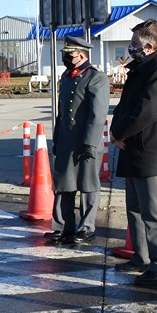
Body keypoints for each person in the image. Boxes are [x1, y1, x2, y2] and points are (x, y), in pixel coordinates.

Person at [109, 19, 157, 284]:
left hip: (149, 147)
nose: (131, 49)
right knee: (135, 208)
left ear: (149, 47)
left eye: (135, 44)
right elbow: (126, 105)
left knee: (154, 211)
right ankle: (141, 257)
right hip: (132, 146)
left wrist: (120, 132)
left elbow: (147, 109)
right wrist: (117, 132)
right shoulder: (142, 66)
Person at [47, 35, 110, 244]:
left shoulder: (95, 77)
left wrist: (90, 143)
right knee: (64, 184)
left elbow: (97, 114)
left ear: (81, 55)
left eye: (69, 54)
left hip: (85, 140)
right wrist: (57, 139)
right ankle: (64, 226)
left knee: (88, 184)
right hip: (67, 139)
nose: (65, 57)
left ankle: (87, 227)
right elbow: (62, 113)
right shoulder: (66, 76)